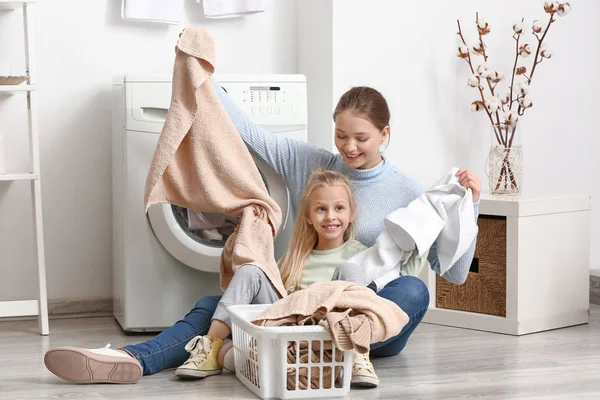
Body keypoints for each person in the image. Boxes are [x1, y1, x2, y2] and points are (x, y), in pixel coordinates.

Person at [43, 82, 481, 385]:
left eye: (361, 139)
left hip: (366, 330)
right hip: (301, 314)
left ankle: (287, 354)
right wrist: (203, 76)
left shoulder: (406, 190)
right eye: (341, 135)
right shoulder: (312, 165)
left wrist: (469, 206)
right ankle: (132, 360)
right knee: (216, 304)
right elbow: (250, 135)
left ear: (384, 135)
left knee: (412, 290)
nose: (348, 148)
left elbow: (453, 272)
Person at [175, 168, 380, 387]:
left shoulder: (361, 255)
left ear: (352, 212)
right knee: (251, 270)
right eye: (321, 209)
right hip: (289, 328)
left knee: (350, 271)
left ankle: (358, 354)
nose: (330, 216)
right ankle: (210, 347)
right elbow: (277, 306)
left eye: (339, 208)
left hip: (329, 331)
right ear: (309, 217)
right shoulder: (294, 257)